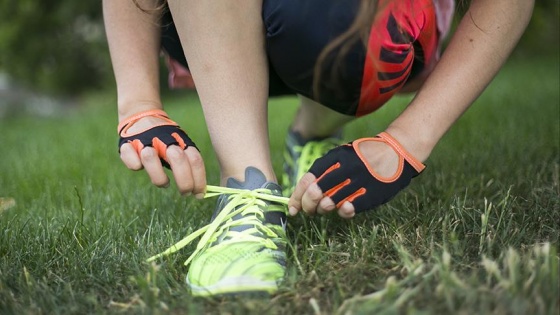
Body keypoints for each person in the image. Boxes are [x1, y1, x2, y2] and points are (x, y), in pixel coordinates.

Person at [103, 0, 534, 296]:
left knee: (341, 24)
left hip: (364, 22)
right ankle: (249, 187)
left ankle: (311, 131)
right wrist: (139, 104)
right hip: (204, 19)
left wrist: (404, 143)